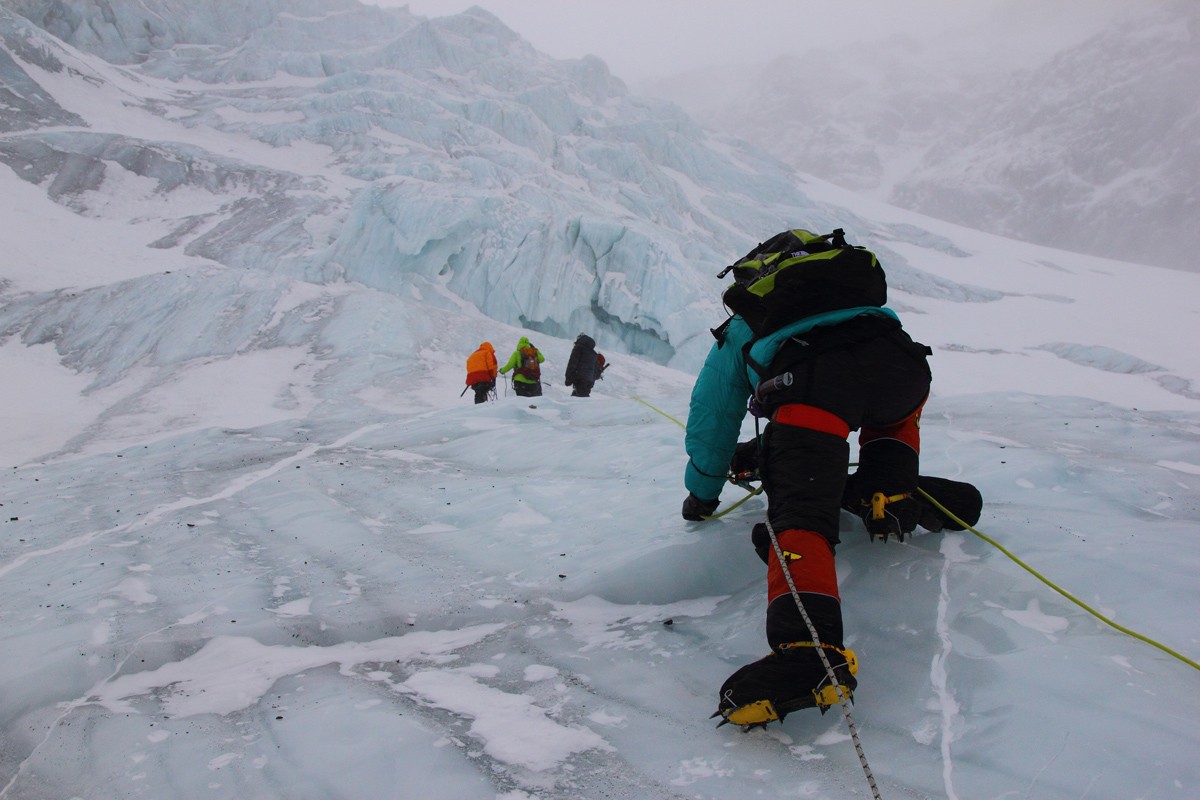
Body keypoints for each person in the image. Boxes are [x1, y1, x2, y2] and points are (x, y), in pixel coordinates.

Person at [682, 228, 941, 727]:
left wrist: (702, 492)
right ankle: (887, 493)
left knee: (800, 515)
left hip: (814, 386)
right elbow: (865, 364)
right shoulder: (849, 290)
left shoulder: (748, 319)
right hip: (902, 370)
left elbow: (713, 417)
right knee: (891, 420)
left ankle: (808, 651)